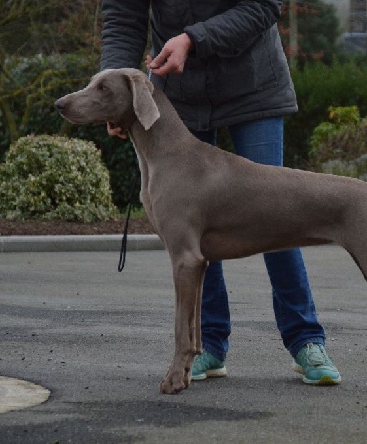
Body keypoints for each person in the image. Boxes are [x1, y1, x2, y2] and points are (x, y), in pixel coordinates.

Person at [100, 0, 340, 385]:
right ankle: (207, 346)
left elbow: (263, 6)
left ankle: (305, 340)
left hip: (253, 85)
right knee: (191, 230)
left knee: (281, 214)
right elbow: (123, 19)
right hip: (178, 93)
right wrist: (112, 95)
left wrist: (192, 40)